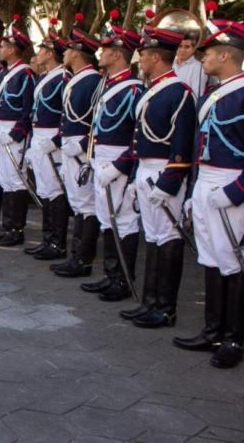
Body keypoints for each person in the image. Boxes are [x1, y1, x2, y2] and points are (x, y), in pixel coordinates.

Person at [116, 18, 197, 329]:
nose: (141, 60)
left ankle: (165, 308)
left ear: (156, 57)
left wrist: (169, 181)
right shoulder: (154, 90)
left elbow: (182, 141)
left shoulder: (179, 93)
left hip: (165, 174)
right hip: (146, 171)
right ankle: (148, 302)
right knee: (152, 236)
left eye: (145, 56)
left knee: (168, 238)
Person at [175, 19, 244, 368]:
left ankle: (234, 337)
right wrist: (194, 188)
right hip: (206, 183)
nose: (203, 60)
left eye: (209, 54)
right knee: (211, 257)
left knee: (231, 261)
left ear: (226, 55)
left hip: (230, 186)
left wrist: (235, 191)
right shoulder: (215, 91)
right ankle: (213, 329)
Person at [84, 19, 144, 302]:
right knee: (107, 217)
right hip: (102, 156)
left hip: (119, 159)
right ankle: (110, 274)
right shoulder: (109, 85)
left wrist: (122, 165)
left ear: (119, 53)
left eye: (106, 47)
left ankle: (122, 278)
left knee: (124, 219)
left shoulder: (133, 89)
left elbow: (138, 134)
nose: (101, 51)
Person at [51, 24, 104, 279]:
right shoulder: (77, 79)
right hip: (70, 144)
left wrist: (83, 145)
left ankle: (83, 259)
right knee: (77, 201)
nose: (64, 51)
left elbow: (97, 120)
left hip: (81, 148)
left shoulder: (92, 80)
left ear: (78, 52)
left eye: (68, 48)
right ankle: (76, 255)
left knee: (86, 203)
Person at [0, 20, 36, 247]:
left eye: (4, 46)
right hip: (2, 128)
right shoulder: (7, 73)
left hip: (14, 131)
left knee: (16, 180)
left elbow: (28, 110)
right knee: (6, 179)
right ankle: (7, 226)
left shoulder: (25, 74)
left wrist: (16, 134)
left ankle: (17, 229)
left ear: (14, 49)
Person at [23, 21, 70, 260]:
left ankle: (57, 243)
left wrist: (57, 140)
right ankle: (47, 238)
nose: (37, 54)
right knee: (44, 189)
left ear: (50, 53)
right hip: (39, 134)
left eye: (41, 50)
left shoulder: (63, 77)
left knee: (55, 191)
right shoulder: (47, 76)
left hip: (51, 136)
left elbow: (68, 114)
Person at [173, 26, 208, 97]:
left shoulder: (199, 68)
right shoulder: (169, 63)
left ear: (194, 49)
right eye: (180, 46)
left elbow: (196, 96)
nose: (182, 50)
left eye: (187, 47)